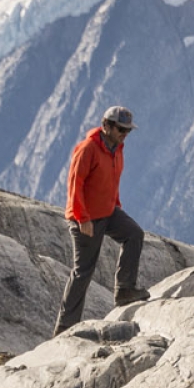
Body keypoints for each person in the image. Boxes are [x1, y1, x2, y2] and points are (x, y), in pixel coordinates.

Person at [53, 104, 149, 335]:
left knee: (134, 234)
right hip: (86, 218)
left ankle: (125, 289)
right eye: (120, 129)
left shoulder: (116, 148)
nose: (125, 134)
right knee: (83, 271)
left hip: (107, 212)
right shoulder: (88, 149)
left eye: (128, 131)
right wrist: (82, 218)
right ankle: (65, 327)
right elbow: (75, 184)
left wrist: (115, 203)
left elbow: (112, 179)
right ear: (106, 125)